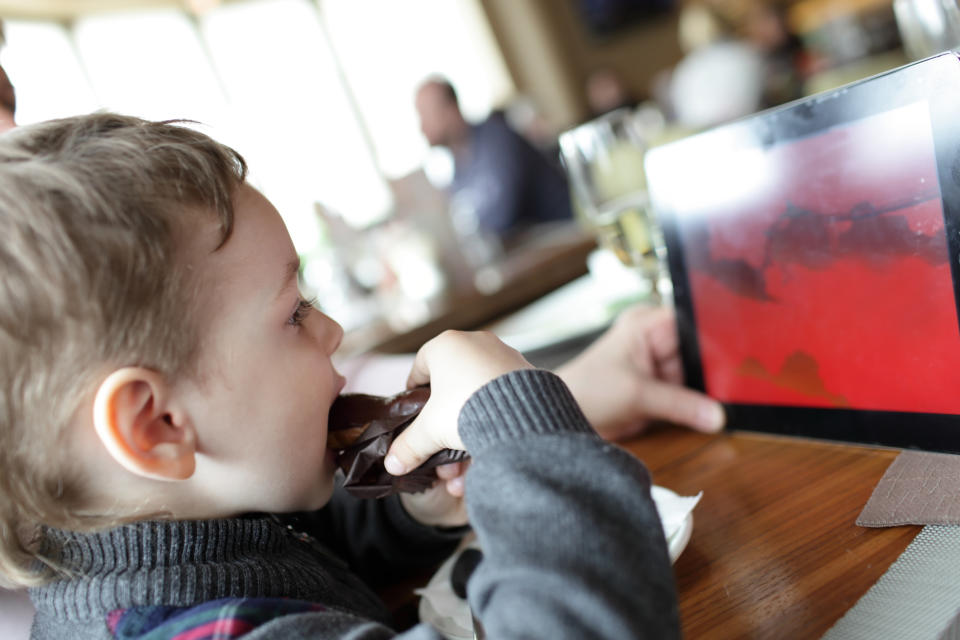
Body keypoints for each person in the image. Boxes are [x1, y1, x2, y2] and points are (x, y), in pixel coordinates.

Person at [0, 113, 722, 639]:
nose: (331, 331)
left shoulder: (173, 525)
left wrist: (417, 509)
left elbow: (314, 544)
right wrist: (517, 420)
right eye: (293, 315)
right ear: (155, 426)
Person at [414, 77, 572, 243]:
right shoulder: (458, 169)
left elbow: (501, 218)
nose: (422, 127)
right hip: (537, 247)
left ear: (451, 110)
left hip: (568, 235)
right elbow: (466, 230)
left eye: (425, 114)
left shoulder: (496, 137)